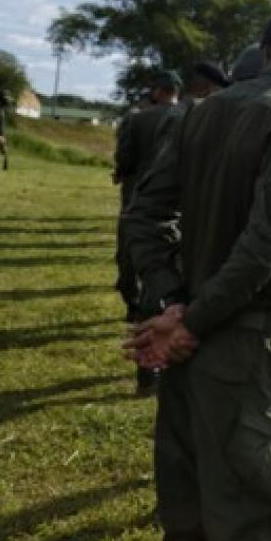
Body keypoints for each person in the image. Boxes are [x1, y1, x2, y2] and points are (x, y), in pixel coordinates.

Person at [123, 0, 271, 541]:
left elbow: (144, 212)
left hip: (185, 346)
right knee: (254, 518)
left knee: (187, 511)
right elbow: (268, 244)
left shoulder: (202, 112)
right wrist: (191, 319)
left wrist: (174, 303)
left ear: (266, 49)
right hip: (244, 355)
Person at [113, 70, 181, 395]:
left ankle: (131, 297)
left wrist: (123, 173)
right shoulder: (195, 116)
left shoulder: (137, 119)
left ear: (156, 91)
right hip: (182, 203)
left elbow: (124, 156)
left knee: (132, 252)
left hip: (139, 195)